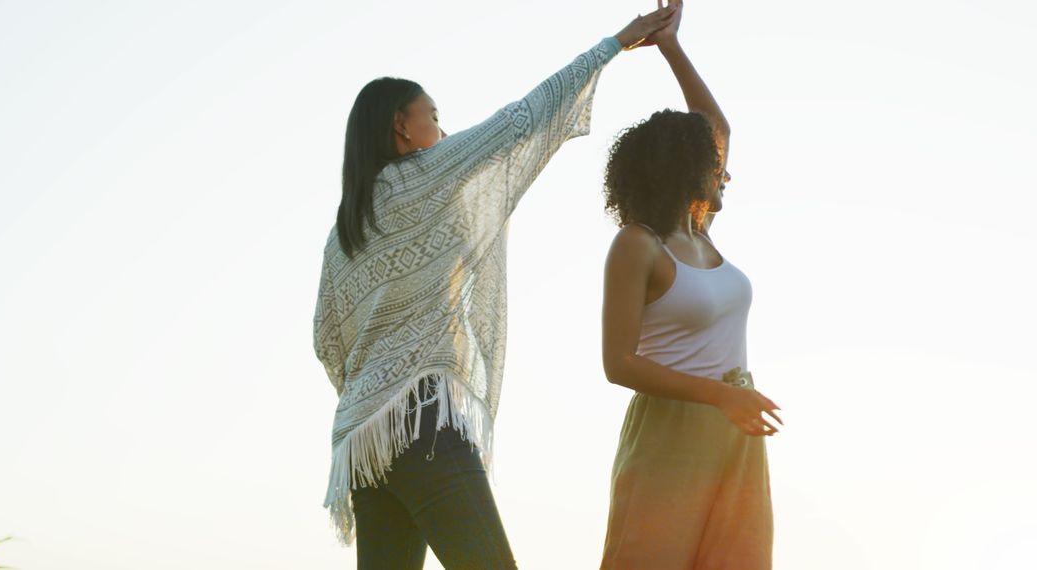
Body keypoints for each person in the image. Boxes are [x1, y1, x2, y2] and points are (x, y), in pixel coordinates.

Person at [313, 6, 680, 569]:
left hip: (363, 441)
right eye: (432, 115)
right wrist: (617, 42)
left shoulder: (344, 233)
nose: (441, 127)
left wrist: (371, 385)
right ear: (401, 126)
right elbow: (522, 120)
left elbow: (326, 340)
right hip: (421, 421)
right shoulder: (431, 171)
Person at [598, 1, 782, 568]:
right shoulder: (639, 245)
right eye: (713, 166)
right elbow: (618, 364)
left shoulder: (702, 235)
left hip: (736, 430)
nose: (725, 173)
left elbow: (717, 127)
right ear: (684, 171)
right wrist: (721, 396)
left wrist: (672, 47)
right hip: (672, 433)